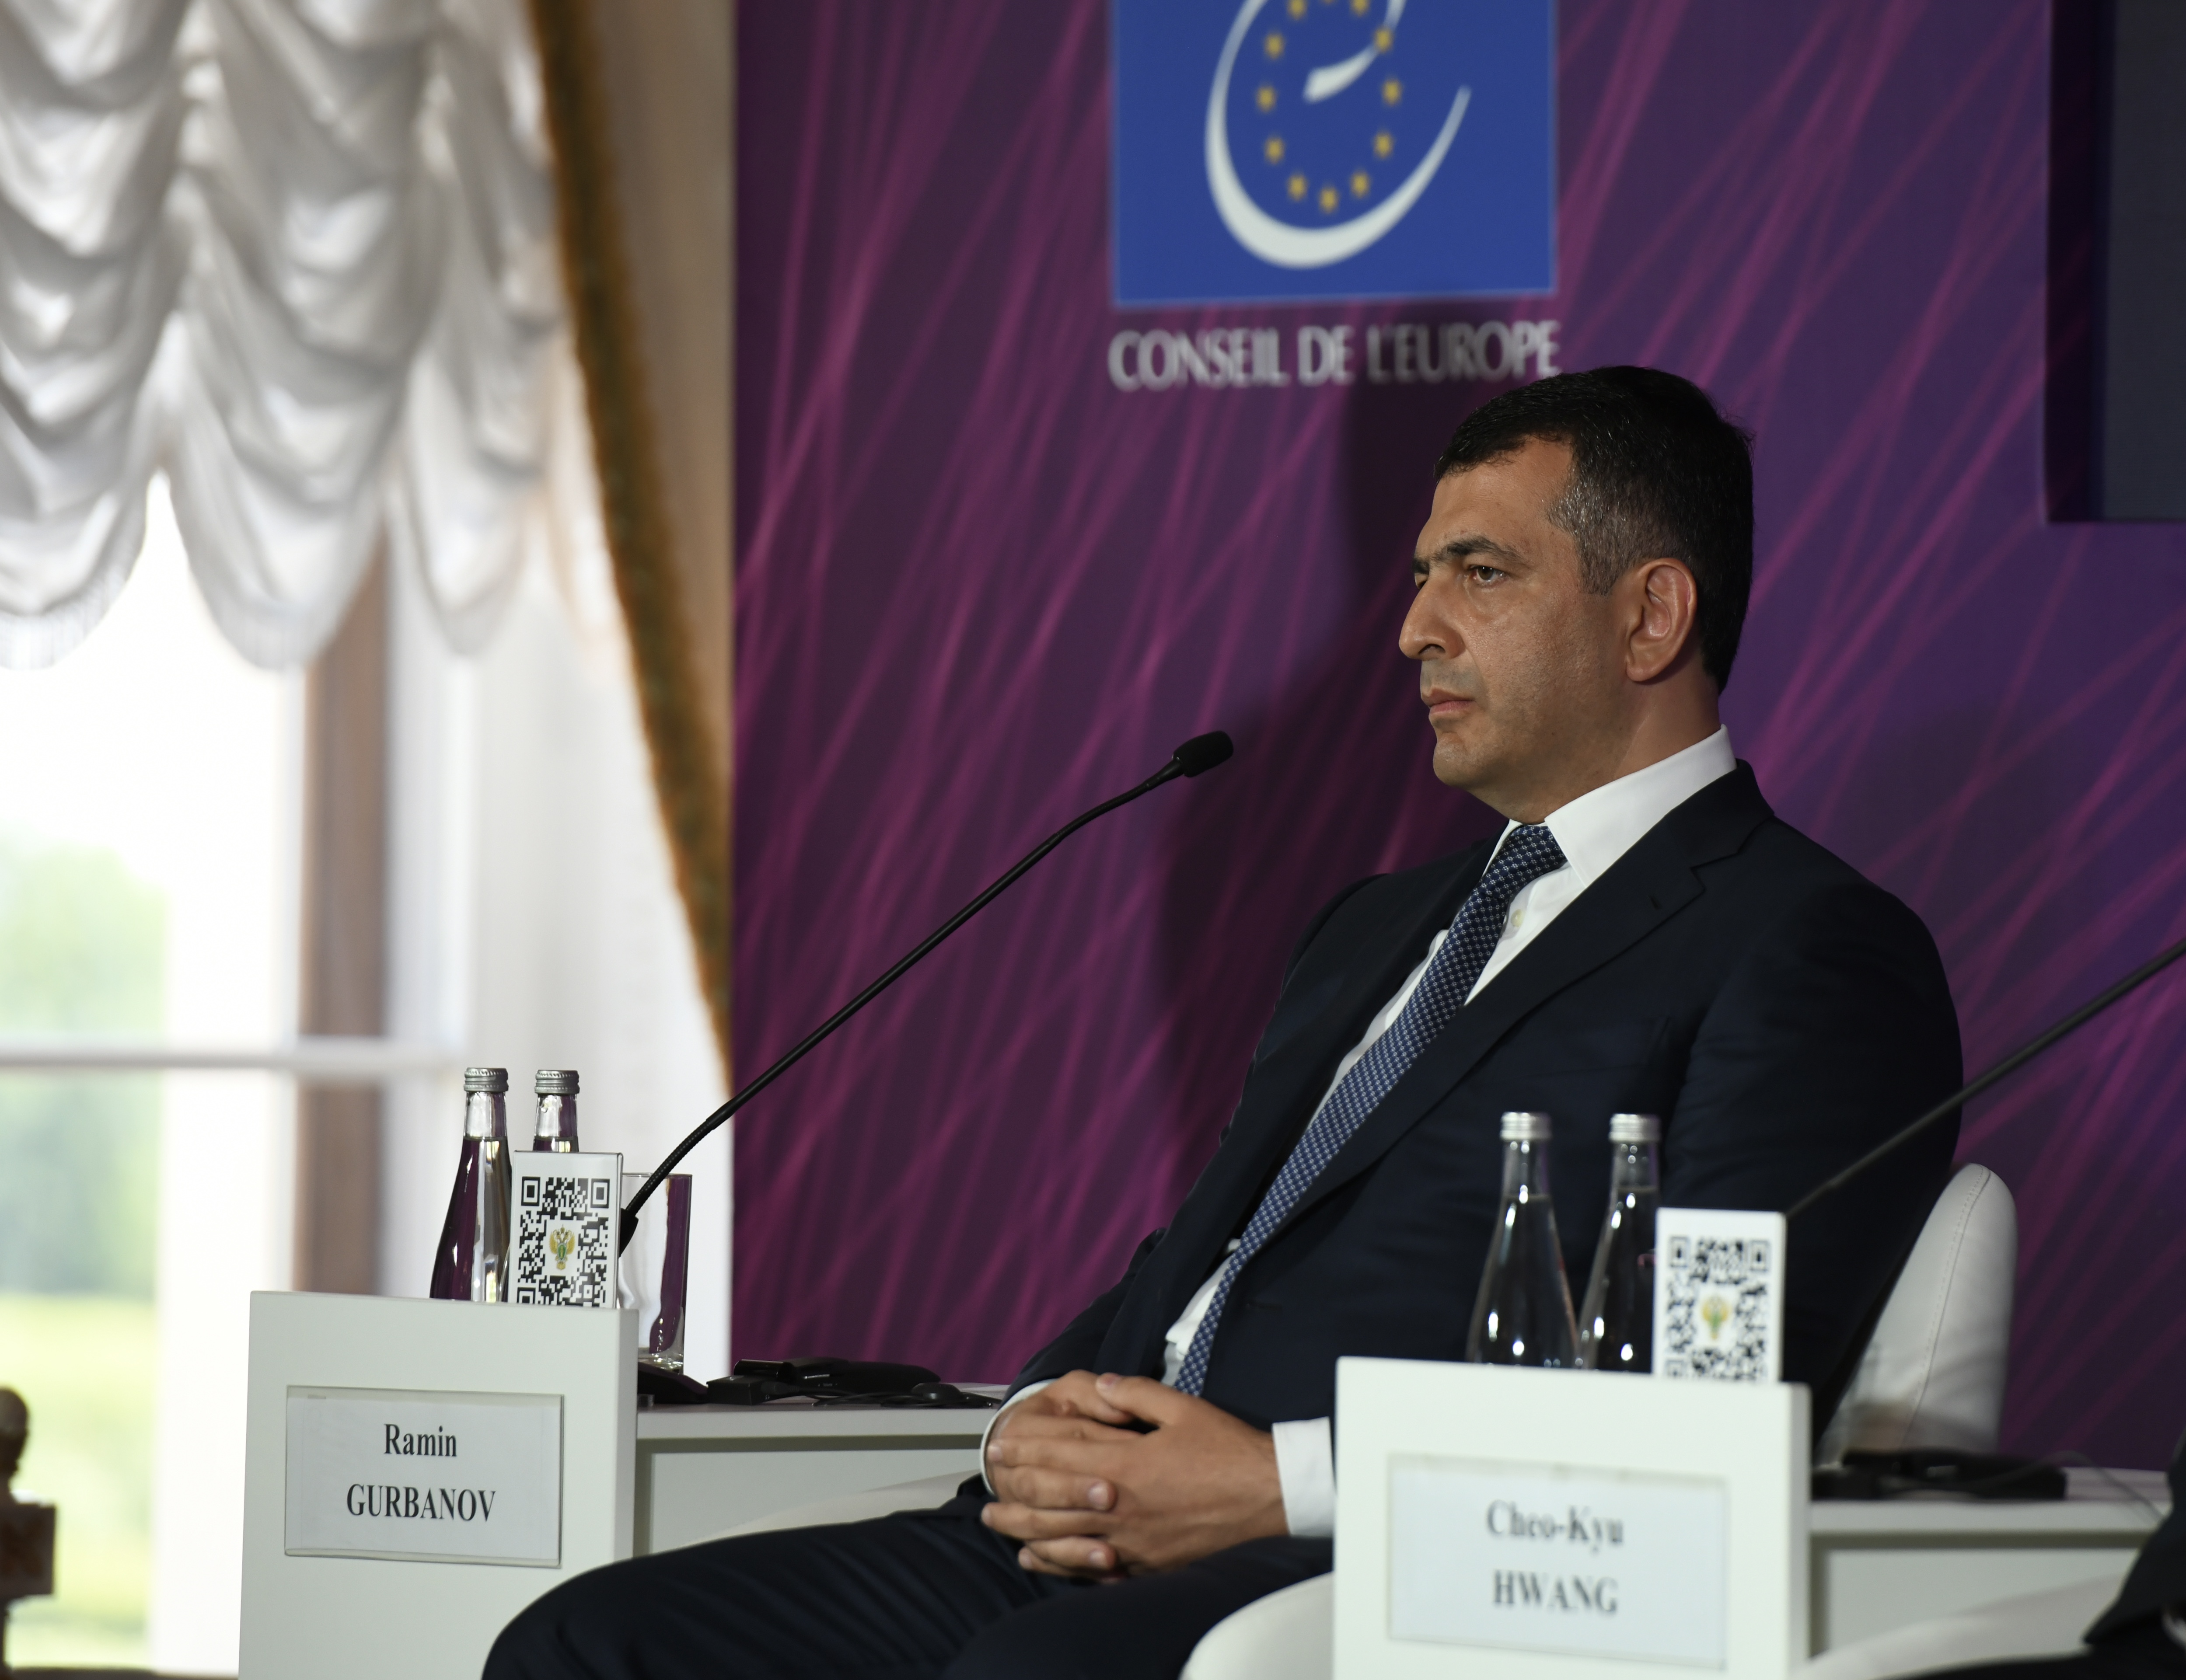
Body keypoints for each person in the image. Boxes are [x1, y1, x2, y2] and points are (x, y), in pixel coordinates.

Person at [487, 366, 1963, 1680]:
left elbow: (1713, 1397)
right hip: (1076, 1532)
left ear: (1650, 615)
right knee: (585, 1640)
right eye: (1420, 575)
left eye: (1481, 572)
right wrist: (1028, 1422)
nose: (1415, 629)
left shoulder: (1809, 948)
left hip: (1383, 1562)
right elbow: (1209, 1254)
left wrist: (1277, 1483)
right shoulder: (1375, 925)